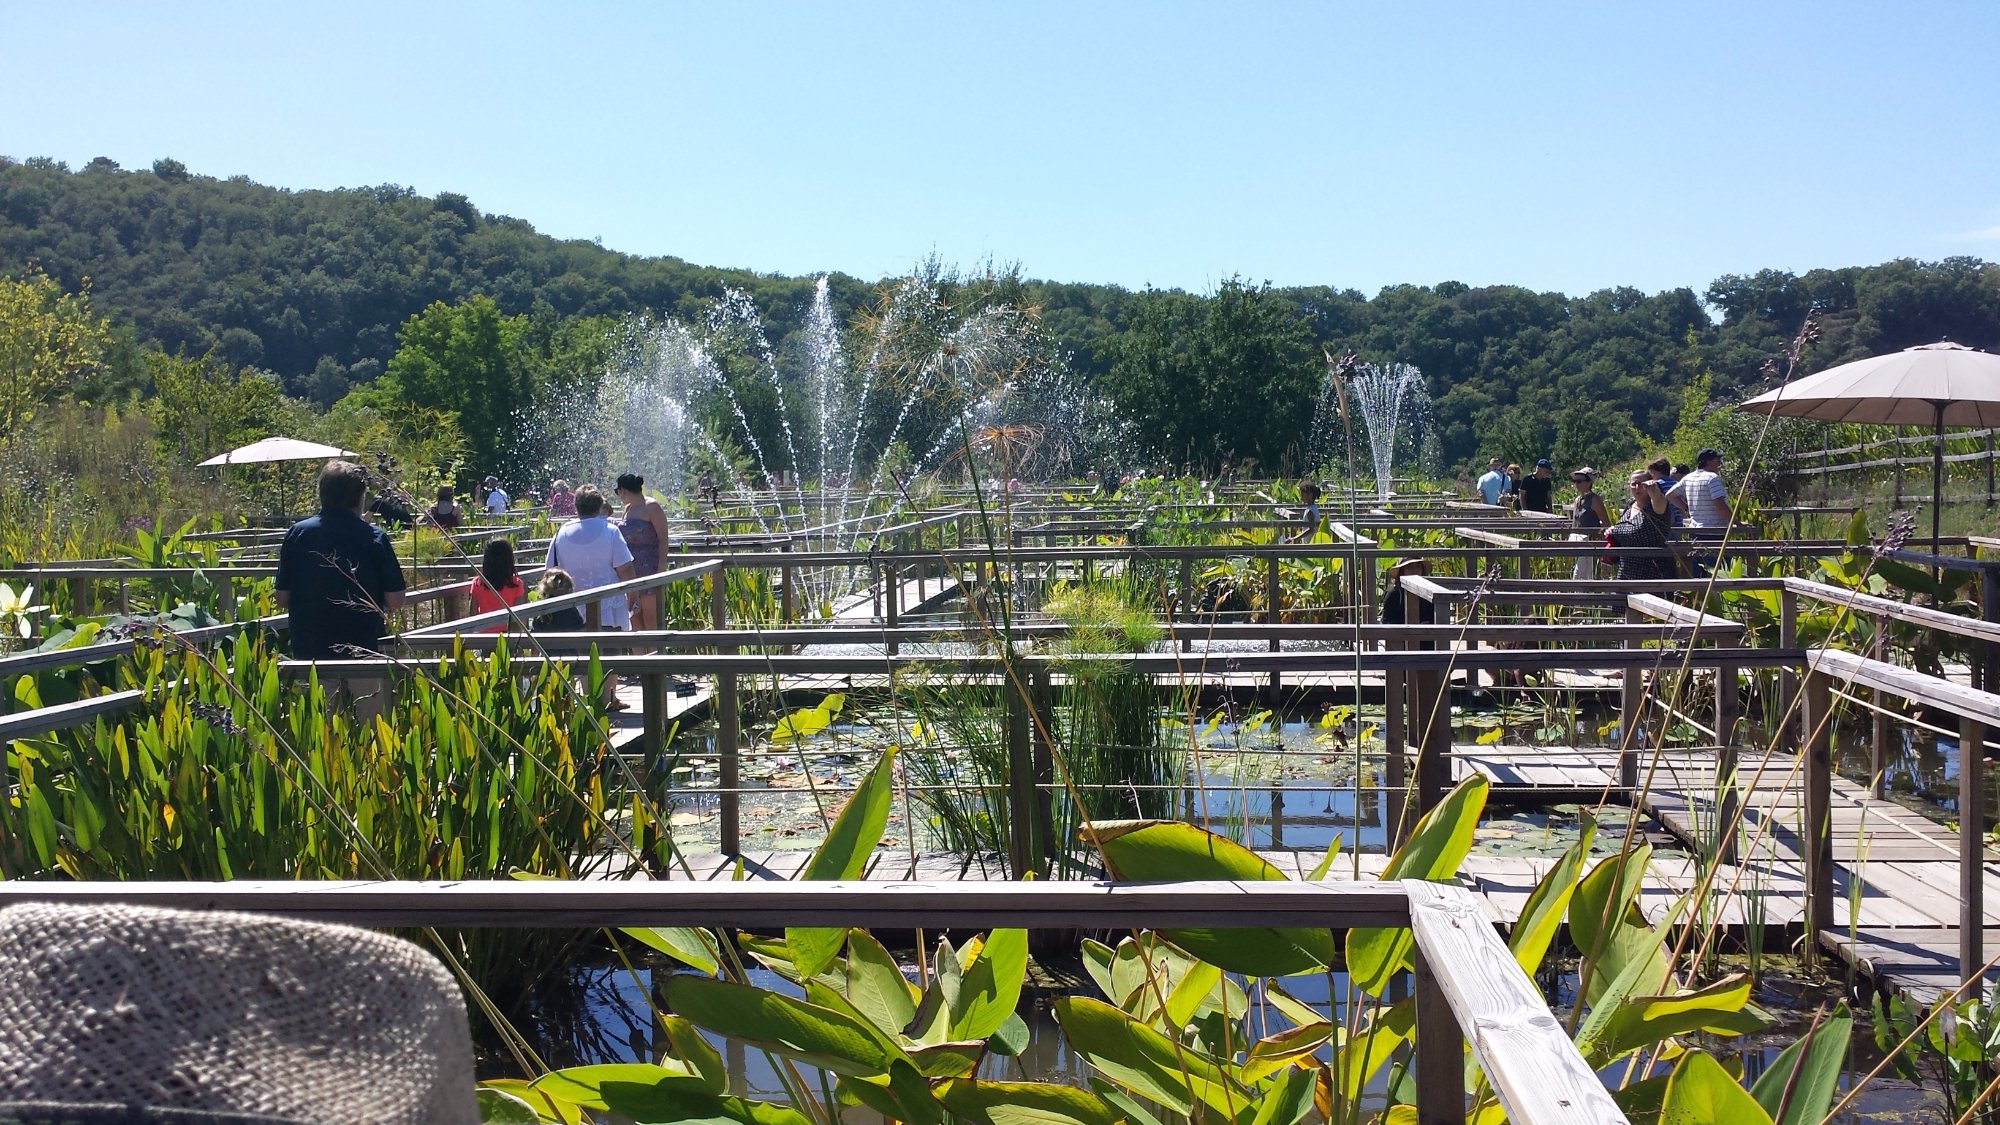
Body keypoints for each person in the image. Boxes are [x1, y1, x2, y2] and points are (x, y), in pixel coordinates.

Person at [275, 460, 408, 659]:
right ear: (360, 496)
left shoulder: (298, 534)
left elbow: (282, 598)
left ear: (321, 492)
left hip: (310, 651)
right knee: (365, 692)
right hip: (363, 650)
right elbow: (395, 600)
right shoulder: (374, 537)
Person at [545, 485, 634, 705]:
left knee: (584, 649)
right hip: (608, 602)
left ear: (577, 507)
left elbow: (549, 569)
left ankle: (588, 696)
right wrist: (633, 595)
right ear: (599, 506)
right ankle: (609, 698)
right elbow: (625, 568)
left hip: (573, 605)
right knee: (611, 649)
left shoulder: (561, 532)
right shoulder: (610, 530)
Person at [615, 472, 670, 631]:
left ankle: (653, 653)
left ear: (623, 490)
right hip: (630, 569)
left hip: (649, 568)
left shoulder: (651, 506)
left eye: (618, 491)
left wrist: (661, 568)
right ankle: (639, 654)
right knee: (633, 616)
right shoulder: (627, 509)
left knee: (650, 617)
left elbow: (663, 538)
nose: (619, 496)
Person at [1610, 469, 1675, 581]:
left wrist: (1654, 491)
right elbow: (1626, 527)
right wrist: (1613, 530)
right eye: (1634, 484)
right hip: (1626, 571)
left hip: (1652, 573)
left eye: (1641, 484)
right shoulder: (1630, 505)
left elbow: (1658, 501)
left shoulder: (1655, 505)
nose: (1637, 487)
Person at [468, 537, 525, 634]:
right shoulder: (516, 584)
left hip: (484, 637)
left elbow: (473, 616)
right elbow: (519, 619)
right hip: (508, 637)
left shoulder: (478, 583)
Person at [1669, 449, 1731, 529]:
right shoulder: (1712, 477)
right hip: (1714, 531)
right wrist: (1735, 522)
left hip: (1694, 530)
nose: (1720, 464)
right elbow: (1721, 506)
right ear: (1708, 462)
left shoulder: (1688, 478)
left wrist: (1686, 508)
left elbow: (1670, 495)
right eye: (1718, 461)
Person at [1567, 467, 1609, 579]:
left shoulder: (1594, 499)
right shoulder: (1577, 500)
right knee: (1583, 574)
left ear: (1589, 482)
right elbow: (1575, 523)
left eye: (1580, 481)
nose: (1577, 484)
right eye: (1575, 481)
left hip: (1590, 542)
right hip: (1577, 542)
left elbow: (1606, 523)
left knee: (1580, 574)